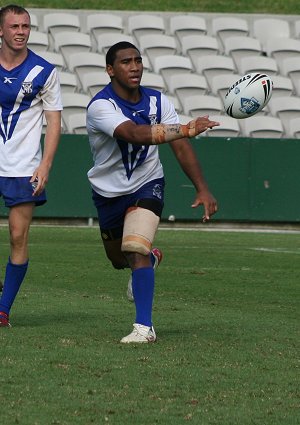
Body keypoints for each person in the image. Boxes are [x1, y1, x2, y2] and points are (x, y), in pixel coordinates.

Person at [86, 41, 219, 344]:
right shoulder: (100, 106)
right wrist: (184, 128)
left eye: (137, 60)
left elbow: (180, 146)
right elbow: (133, 133)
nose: (134, 67)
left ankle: (144, 328)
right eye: (125, 62)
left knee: (135, 249)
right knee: (120, 259)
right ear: (110, 70)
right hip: (108, 193)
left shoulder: (158, 101)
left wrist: (202, 187)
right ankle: (151, 258)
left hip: (148, 183)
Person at [0, 4, 62, 327]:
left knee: (17, 236)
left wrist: (45, 165)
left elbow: (54, 122)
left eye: (25, 26)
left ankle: (3, 311)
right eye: (14, 26)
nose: (21, 32)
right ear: (1, 30)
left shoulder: (44, 72)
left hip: (24, 167)